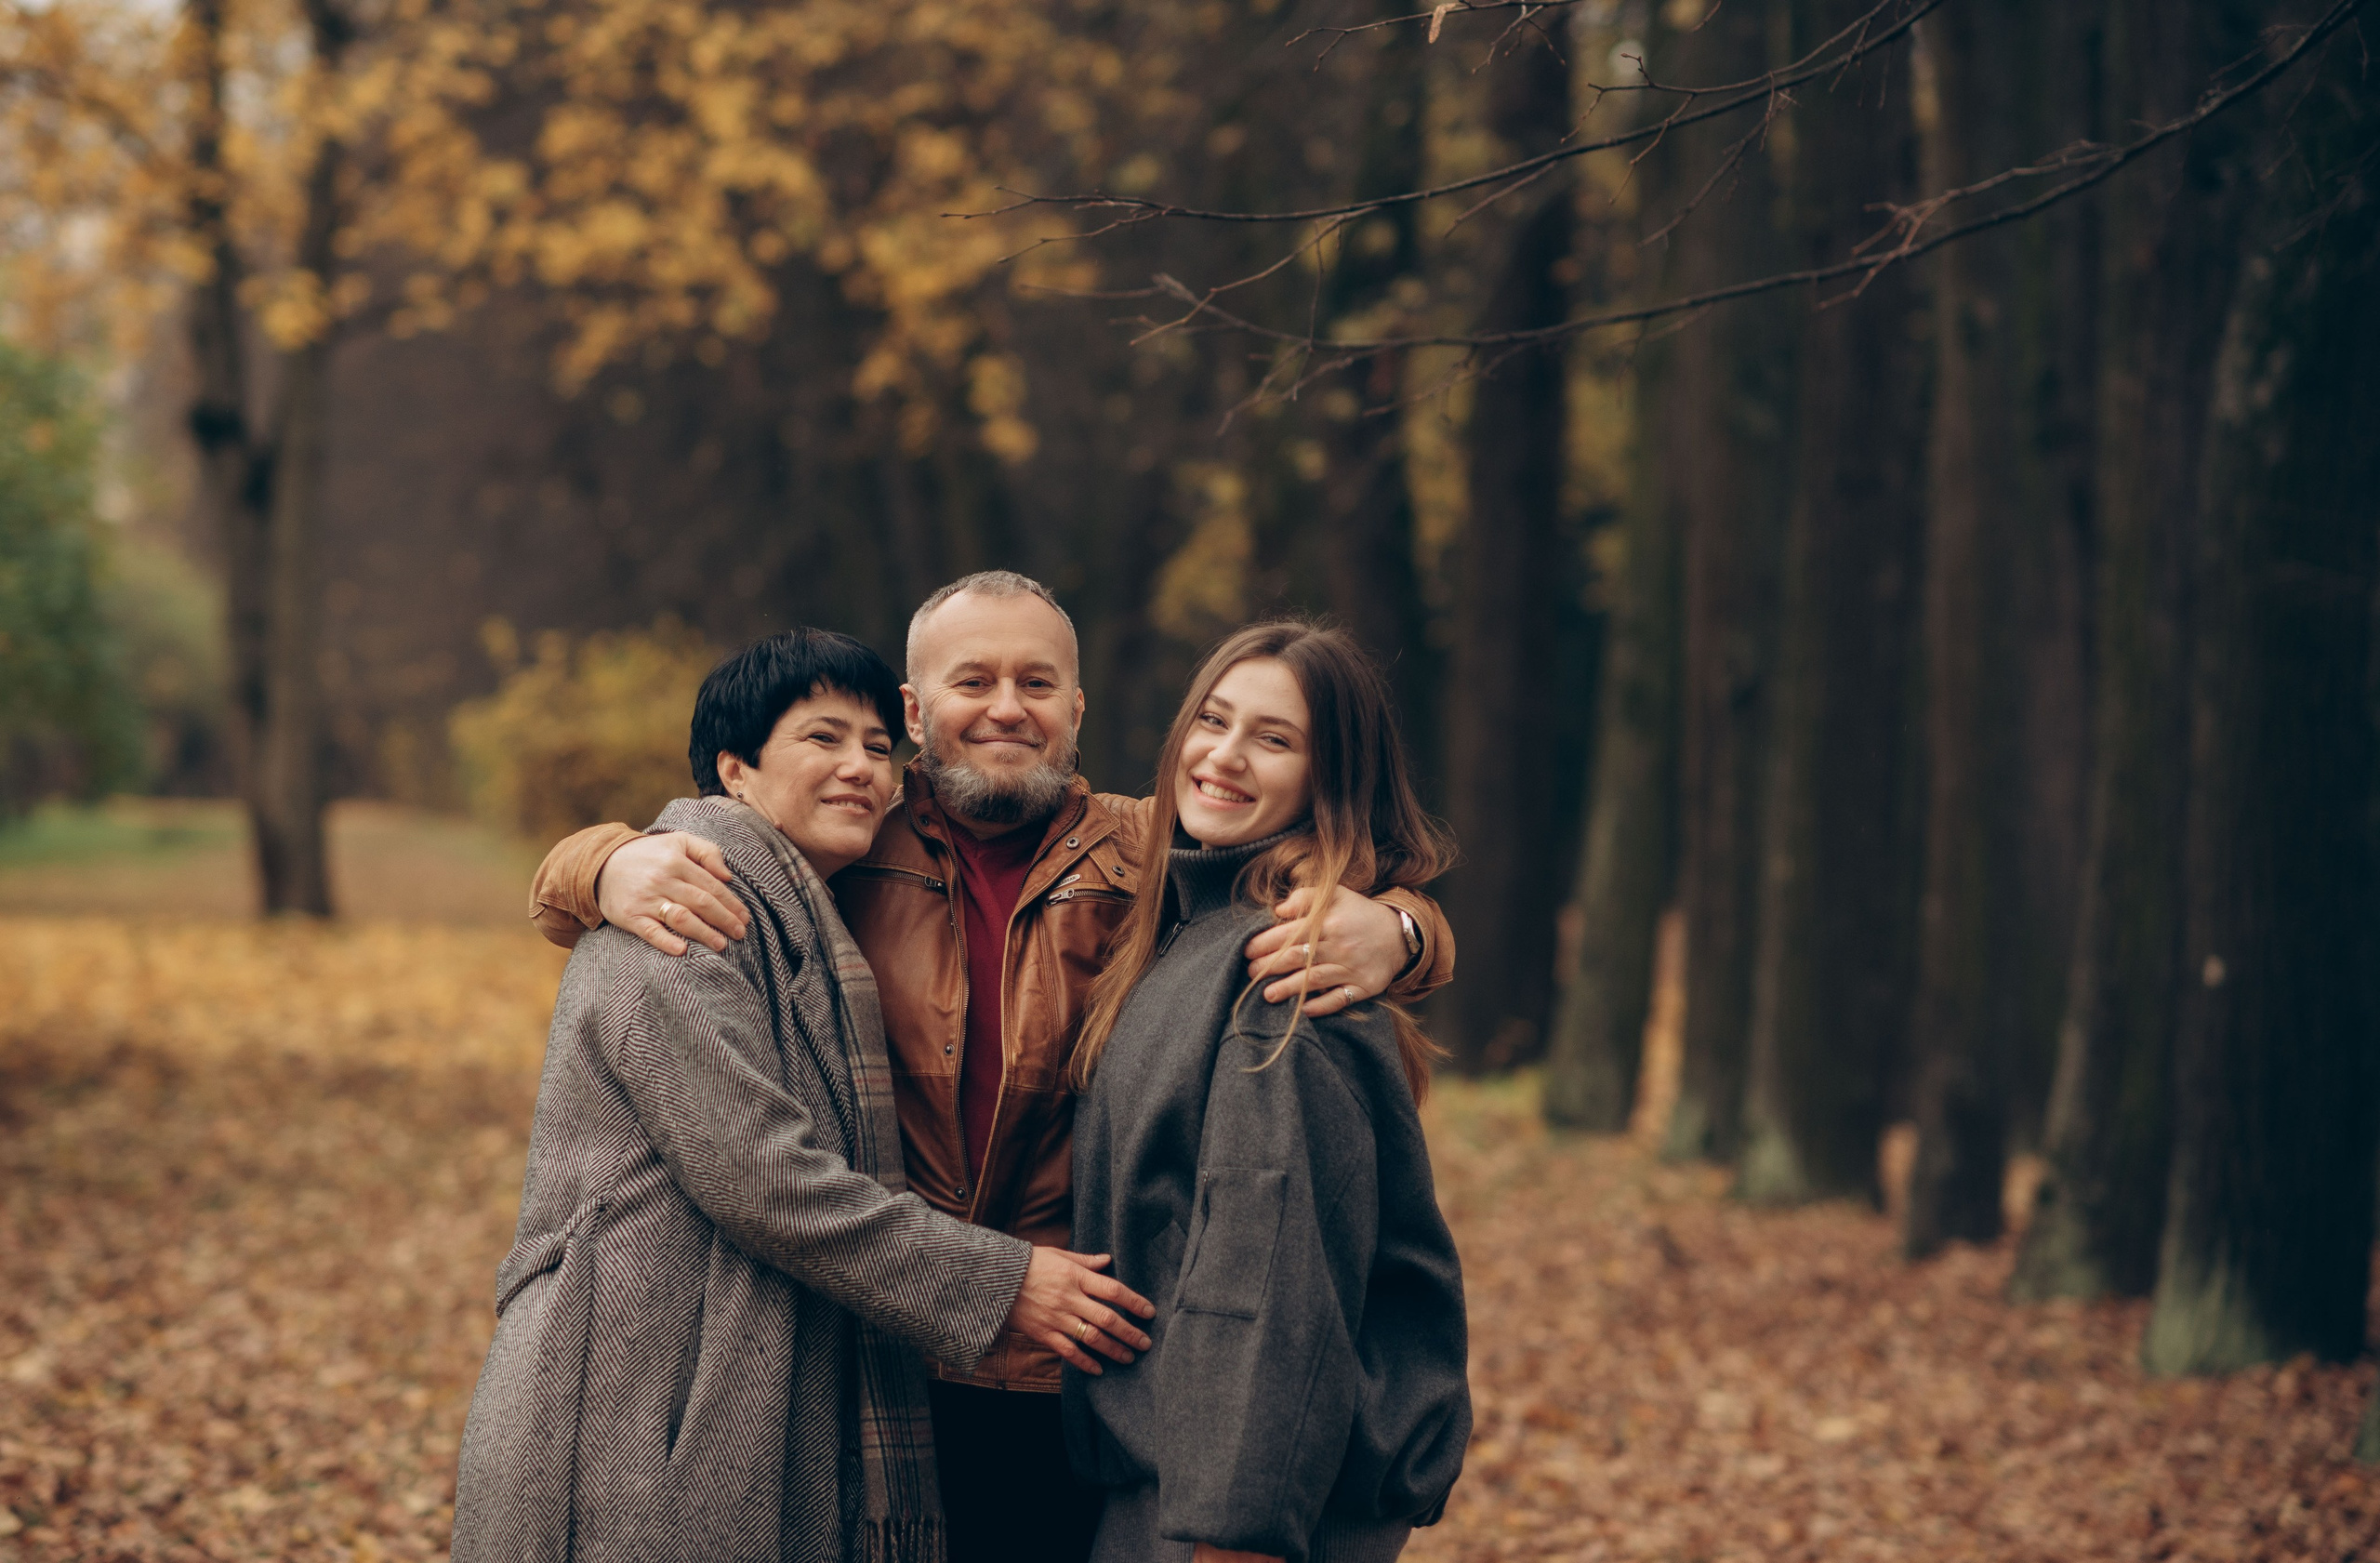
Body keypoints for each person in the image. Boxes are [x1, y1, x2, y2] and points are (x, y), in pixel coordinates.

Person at [523, 572, 1455, 1562]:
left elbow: (1312, 873)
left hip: (1080, 1362)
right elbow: (690, 843)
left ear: (1077, 709)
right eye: (974, 681)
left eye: (1038, 683)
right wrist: (601, 865)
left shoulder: (1147, 853)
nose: (1007, 708)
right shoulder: (847, 829)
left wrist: (1403, 930)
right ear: (917, 712)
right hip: (876, 1350)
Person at [453, 629, 1155, 1563]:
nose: (859, 767)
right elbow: (766, 1179)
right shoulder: (686, 915)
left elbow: (1321, 856)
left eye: (873, 746)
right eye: (821, 739)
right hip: (638, 1385)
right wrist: (1005, 1279)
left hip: (778, 1370)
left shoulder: (819, 890)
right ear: (734, 772)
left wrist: (1395, 928)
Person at [1064, 620, 1471, 1563]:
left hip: (1219, 1525)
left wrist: (1234, 1536)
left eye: (1274, 739)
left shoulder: (1281, 974)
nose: (1225, 756)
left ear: (1330, 781)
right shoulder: (1186, 928)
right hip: (1155, 1499)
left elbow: (1268, 1281)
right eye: (1212, 719)